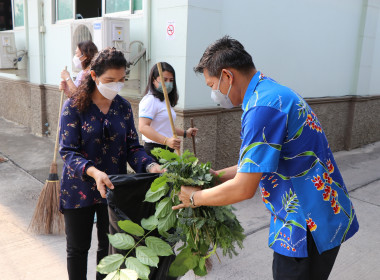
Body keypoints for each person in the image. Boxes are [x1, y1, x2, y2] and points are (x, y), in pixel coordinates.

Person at [173, 36, 359, 280]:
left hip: (305, 225)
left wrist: (195, 198)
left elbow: (244, 188)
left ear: (228, 76)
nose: (213, 93)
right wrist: (215, 176)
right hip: (321, 215)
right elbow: (257, 163)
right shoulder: (271, 93)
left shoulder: (262, 109)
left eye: (211, 85)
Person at [59, 47, 161, 280]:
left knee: (110, 249)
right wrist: (93, 172)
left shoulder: (123, 107)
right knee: (77, 249)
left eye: (121, 80)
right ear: (94, 76)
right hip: (79, 189)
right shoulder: (74, 107)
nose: (116, 85)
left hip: (114, 189)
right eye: (109, 80)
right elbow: (68, 151)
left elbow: (133, 148)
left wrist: (150, 166)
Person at [138, 62, 198, 160]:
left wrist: (185, 133)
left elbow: (165, 126)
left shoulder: (164, 100)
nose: (168, 83)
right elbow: (143, 127)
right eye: (164, 79)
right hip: (155, 152)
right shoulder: (150, 100)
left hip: (167, 151)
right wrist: (166, 141)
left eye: (171, 80)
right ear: (154, 80)